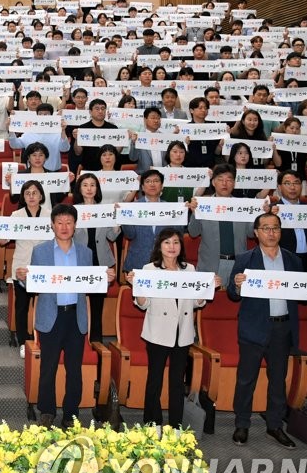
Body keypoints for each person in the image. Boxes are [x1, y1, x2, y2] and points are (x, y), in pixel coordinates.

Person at [16, 204, 114, 428]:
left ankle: (71, 413)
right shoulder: (40, 251)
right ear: (52, 225)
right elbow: (33, 283)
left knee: (74, 368)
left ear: (75, 225)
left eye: (68, 222)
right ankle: (47, 411)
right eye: (59, 222)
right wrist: (23, 277)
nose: (64, 227)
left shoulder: (85, 252)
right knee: (48, 367)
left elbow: (91, 285)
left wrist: (104, 279)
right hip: (51, 316)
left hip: (75, 317)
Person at [125, 228, 219, 427]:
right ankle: (153, 424)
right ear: (160, 246)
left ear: (181, 247)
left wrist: (208, 288)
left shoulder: (190, 270)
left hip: (182, 332)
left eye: (176, 242)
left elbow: (195, 303)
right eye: (167, 242)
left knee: (177, 383)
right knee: (155, 381)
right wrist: (137, 287)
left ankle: (176, 426)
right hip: (158, 332)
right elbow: (143, 303)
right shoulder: (149, 270)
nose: (171, 247)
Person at [227, 212, 303, 449]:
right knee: (246, 379)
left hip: (282, 327)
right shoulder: (244, 259)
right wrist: (237, 286)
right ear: (256, 232)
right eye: (266, 228)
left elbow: (304, 291)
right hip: (253, 327)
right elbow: (231, 294)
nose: (271, 233)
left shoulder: (292, 260)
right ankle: (242, 424)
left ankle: (275, 425)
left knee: (278, 380)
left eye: (276, 228)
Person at [0, 180, 49, 358]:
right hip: (22, 267)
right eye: (27, 193)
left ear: (41, 196)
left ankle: (41, 339)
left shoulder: (50, 215)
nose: (31, 196)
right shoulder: (16, 216)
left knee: (44, 306)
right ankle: (23, 341)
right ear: (23, 196)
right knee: (22, 307)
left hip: (44, 268)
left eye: (35, 193)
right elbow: (3, 241)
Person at [186, 164, 255, 284]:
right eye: (220, 179)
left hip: (237, 264)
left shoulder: (242, 206)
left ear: (234, 183)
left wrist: (259, 215)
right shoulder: (204, 205)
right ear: (213, 183)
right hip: (210, 264)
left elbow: (251, 233)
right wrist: (195, 212)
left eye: (229, 180)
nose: (224, 183)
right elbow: (193, 232)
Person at [71, 173, 120, 341]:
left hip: (101, 263)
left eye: (93, 185)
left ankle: (96, 341)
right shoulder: (73, 211)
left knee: (97, 306)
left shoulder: (104, 209)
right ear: (79, 188)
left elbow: (112, 237)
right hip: (79, 263)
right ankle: (79, 340)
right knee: (78, 304)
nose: (89, 188)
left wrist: (116, 219)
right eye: (85, 185)